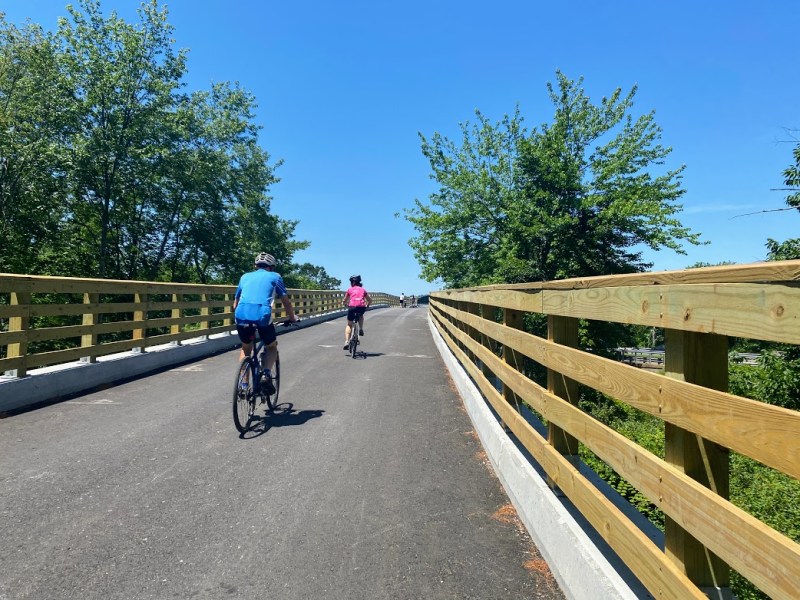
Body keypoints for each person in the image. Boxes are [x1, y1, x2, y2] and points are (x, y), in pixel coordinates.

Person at [233, 252, 298, 393]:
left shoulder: (244, 277)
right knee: (272, 347)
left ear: (255, 266)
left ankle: (243, 386)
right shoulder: (275, 277)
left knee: (246, 348)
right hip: (262, 315)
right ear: (271, 267)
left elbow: (235, 303)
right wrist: (292, 318)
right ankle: (266, 374)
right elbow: (286, 302)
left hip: (241, 314)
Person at [343, 274, 371, 350]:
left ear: (352, 282)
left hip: (352, 307)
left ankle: (347, 341)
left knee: (349, 324)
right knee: (361, 315)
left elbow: (344, 300)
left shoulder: (349, 290)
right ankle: (361, 329)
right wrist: (367, 305)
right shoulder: (363, 290)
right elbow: (369, 300)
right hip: (361, 307)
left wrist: (345, 304)